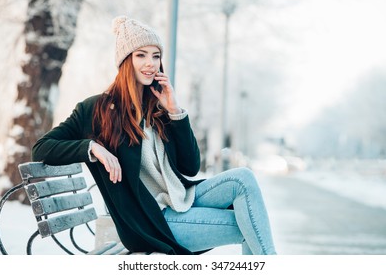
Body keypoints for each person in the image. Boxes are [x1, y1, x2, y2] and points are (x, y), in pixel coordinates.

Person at [32, 15, 276, 255]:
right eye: (141, 55)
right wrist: (93, 147)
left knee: (243, 179)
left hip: (179, 199)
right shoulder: (97, 110)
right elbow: (42, 147)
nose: (151, 63)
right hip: (152, 223)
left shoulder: (157, 109)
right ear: (126, 61)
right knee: (249, 223)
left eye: (155, 56)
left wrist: (175, 112)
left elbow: (190, 168)